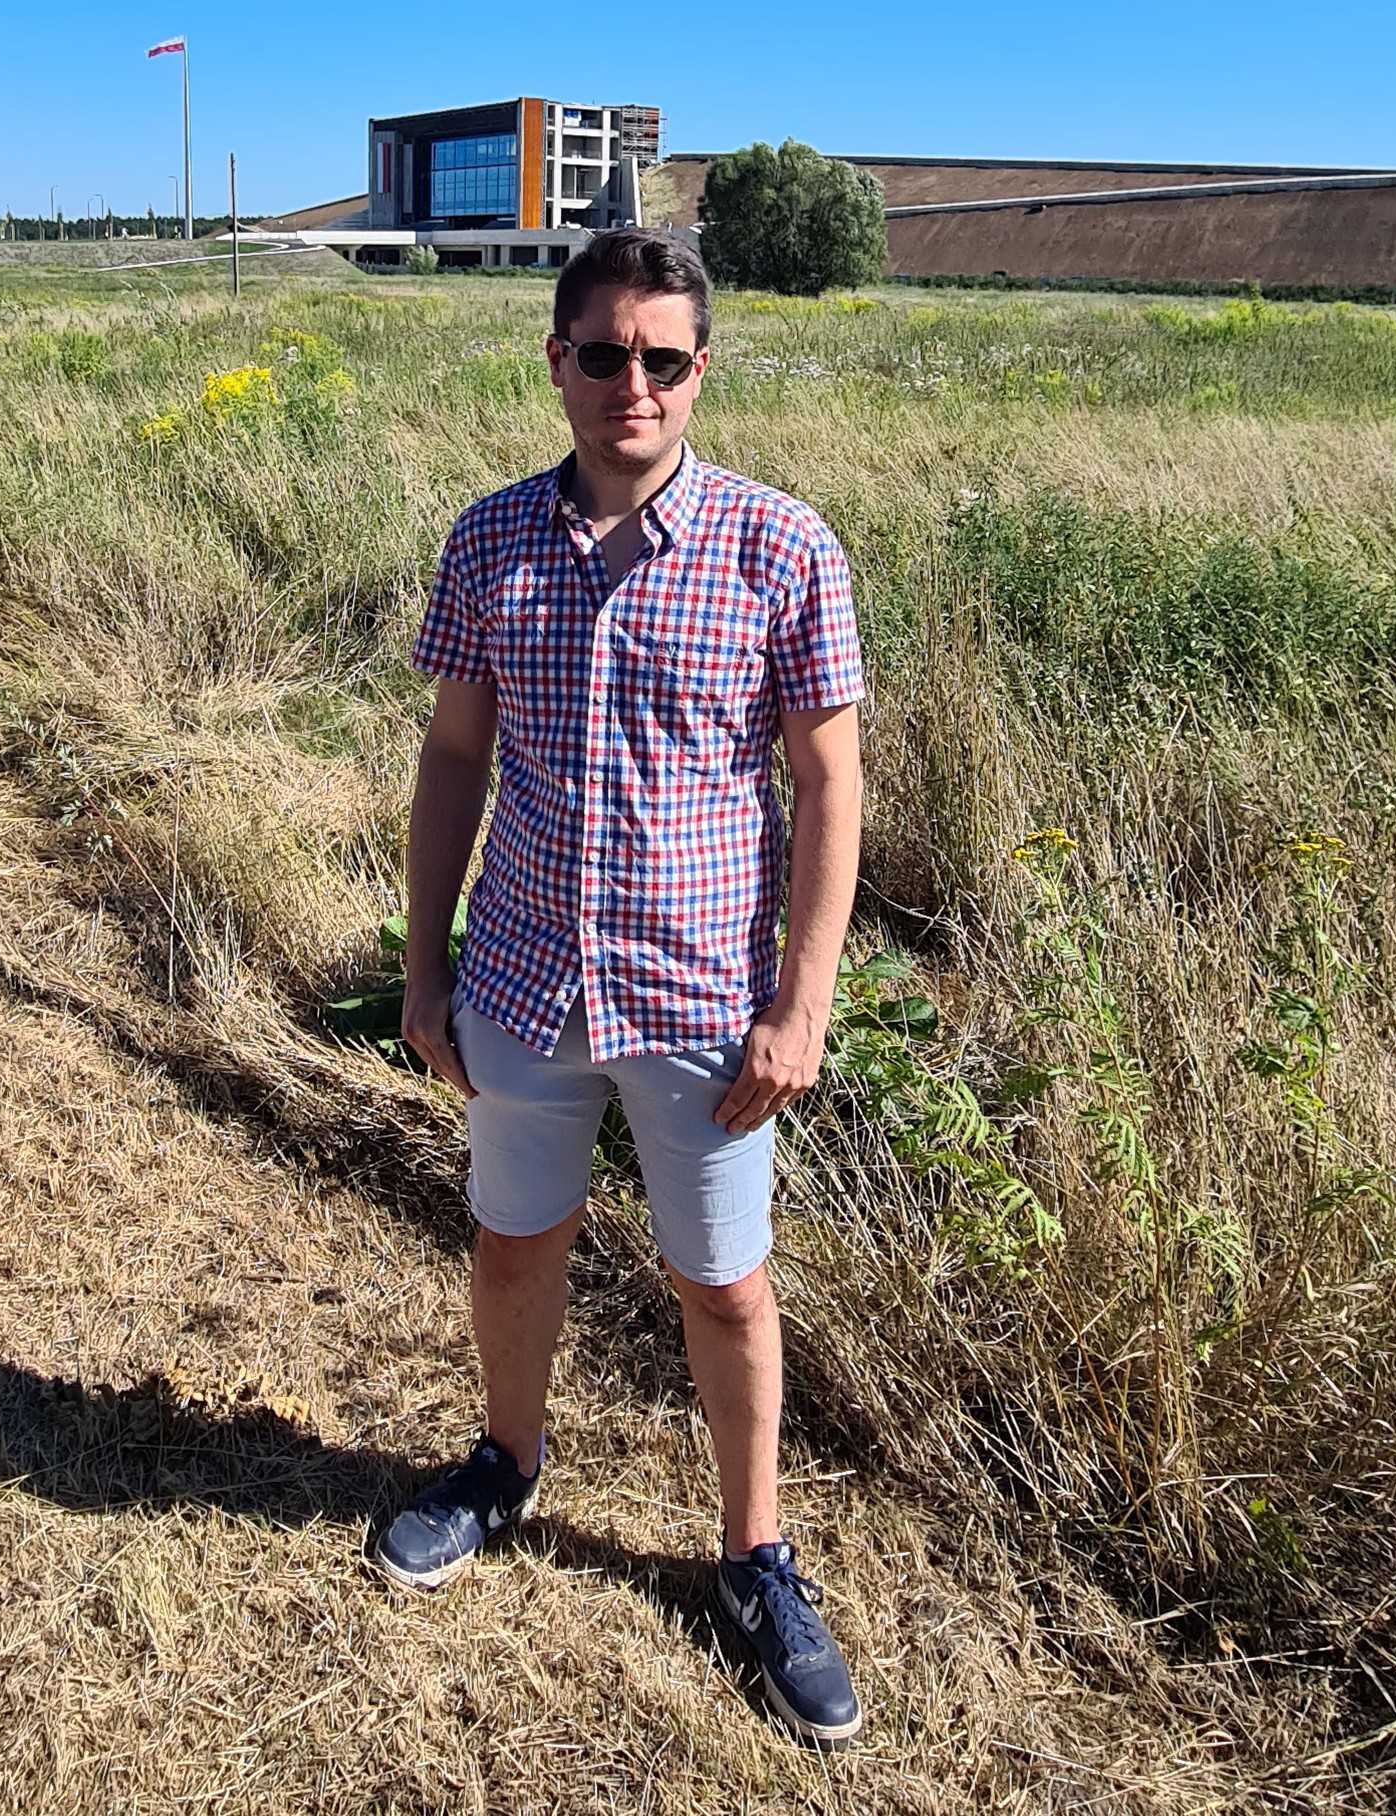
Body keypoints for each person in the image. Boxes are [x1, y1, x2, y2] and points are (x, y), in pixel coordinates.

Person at [375, 229, 866, 1745]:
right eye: (603, 354)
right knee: (513, 1243)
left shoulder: (784, 549)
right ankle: (504, 1466)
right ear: (558, 362)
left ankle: (753, 1559)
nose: (630, 385)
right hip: (522, 980)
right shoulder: (490, 541)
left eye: (661, 359)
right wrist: (424, 962)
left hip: (701, 1001)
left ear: (700, 370)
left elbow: (830, 787)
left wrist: (801, 1004)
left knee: (722, 1284)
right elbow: (454, 757)